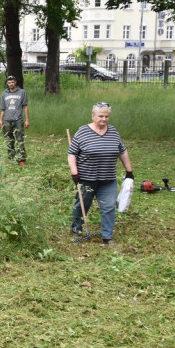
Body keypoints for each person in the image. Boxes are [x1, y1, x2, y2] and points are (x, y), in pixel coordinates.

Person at [67, 102, 134, 246]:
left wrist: (129, 171)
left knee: (109, 207)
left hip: (108, 179)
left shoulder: (113, 132)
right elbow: (72, 154)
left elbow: (122, 151)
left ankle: (107, 237)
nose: (103, 119)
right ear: (93, 116)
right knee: (82, 204)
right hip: (86, 178)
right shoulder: (82, 131)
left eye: (106, 116)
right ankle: (76, 228)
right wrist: (74, 173)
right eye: (100, 116)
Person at [0, 74, 29, 165]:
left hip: (18, 120)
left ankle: (21, 159)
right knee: (9, 140)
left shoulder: (22, 92)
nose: (11, 84)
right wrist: (0, 120)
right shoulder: (4, 94)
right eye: (9, 82)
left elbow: (25, 107)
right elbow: (3, 109)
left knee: (20, 140)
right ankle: (11, 157)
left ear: (15, 82)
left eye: (12, 82)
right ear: (7, 83)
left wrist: (27, 119)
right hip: (7, 120)